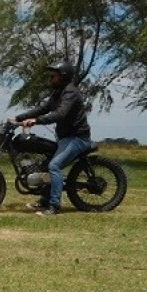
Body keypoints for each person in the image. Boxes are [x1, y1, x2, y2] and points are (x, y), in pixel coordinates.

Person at [12, 60, 92, 216]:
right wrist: (18, 118)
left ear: (62, 77)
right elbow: (42, 109)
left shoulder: (71, 93)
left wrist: (36, 121)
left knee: (54, 166)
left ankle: (54, 206)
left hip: (78, 138)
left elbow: (60, 114)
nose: (50, 79)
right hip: (65, 138)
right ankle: (44, 200)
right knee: (45, 165)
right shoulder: (58, 93)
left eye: (53, 76)